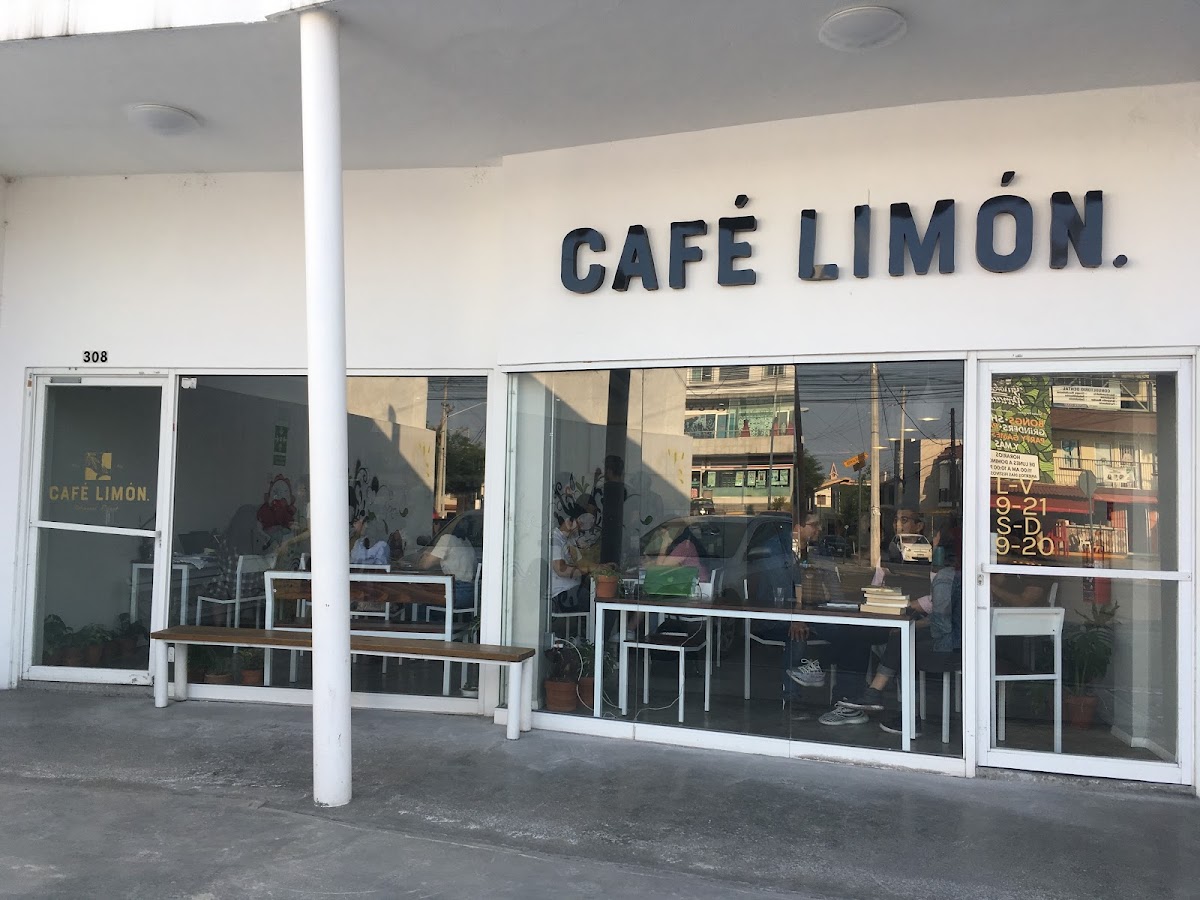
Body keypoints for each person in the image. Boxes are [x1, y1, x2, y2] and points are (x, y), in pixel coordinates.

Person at [836, 532, 964, 735]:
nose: (930, 545)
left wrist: (910, 622)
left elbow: (941, 624)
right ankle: (898, 709)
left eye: (934, 542)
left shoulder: (946, 577)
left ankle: (882, 698)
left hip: (951, 648)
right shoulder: (963, 575)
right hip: (964, 643)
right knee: (900, 641)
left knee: (901, 641)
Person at [417, 516, 478, 609]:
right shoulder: (466, 542)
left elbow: (425, 565)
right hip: (470, 593)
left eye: (436, 523)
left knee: (418, 597)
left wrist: (426, 555)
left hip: (456, 592)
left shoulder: (447, 539)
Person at [550, 502, 590, 615]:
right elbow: (561, 570)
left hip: (575, 590)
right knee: (598, 602)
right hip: (561, 594)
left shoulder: (570, 540)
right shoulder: (554, 539)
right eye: (580, 525)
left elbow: (581, 563)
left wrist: (598, 566)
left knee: (600, 595)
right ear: (569, 521)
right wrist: (589, 569)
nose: (581, 530)